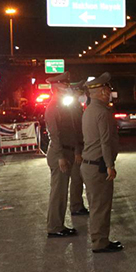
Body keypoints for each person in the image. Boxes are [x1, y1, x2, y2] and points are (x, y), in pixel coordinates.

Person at [81, 73, 122, 252]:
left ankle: (100, 239)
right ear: (103, 91)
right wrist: (110, 165)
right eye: (107, 90)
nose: (109, 93)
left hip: (89, 164)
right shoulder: (103, 112)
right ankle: (100, 242)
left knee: (96, 205)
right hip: (98, 165)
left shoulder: (89, 110)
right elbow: (105, 141)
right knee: (101, 206)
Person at [44, 72, 81, 238]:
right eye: (64, 84)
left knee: (62, 192)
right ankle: (54, 227)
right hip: (60, 153)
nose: (67, 87)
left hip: (67, 151)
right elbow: (54, 134)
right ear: (56, 87)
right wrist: (60, 156)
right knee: (58, 193)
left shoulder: (63, 105)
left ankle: (58, 225)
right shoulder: (53, 107)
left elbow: (72, 130)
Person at [68, 79, 89, 216]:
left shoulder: (77, 106)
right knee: (76, 178)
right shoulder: (73, 108)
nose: (83, 94)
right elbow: (74, 130)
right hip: (77, 148)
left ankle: (78, 204)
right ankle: (76, 206)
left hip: (80, 146)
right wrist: (77, 151)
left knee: (78, 178)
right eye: (81, 91)